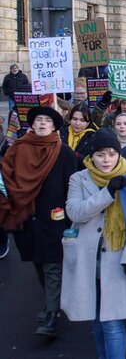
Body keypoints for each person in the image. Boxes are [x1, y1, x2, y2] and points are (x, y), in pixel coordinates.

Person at [0, 106, 77, 337]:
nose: (42, 123)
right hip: (26, 216)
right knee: (38, 263)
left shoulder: (63, 152)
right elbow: (7, 177)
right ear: (32, 125)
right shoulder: (17, 150)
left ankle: (51, 314)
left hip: (54, 219)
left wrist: (70, 219)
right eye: (38, 120)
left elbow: (70, 186)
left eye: (47, 120)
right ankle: (52, 300)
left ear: (54, 127)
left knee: (52, 265)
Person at [63, 129, 126, 358]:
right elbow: (75, 212)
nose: (106, 160)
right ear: (91, 156)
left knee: (112, 323)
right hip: (88, 260)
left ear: (118, 154)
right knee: (95, 320)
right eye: (100, 154)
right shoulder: (79, 178)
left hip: (115, 259)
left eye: (111, 153)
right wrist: (108, 192)